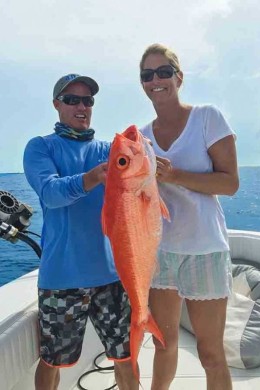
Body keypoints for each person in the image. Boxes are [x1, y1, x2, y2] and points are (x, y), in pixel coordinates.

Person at [23, 73, 139, 390]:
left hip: (112, 276)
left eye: (87, 100)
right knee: (52, 362)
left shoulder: (110, 149)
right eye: (72, 99)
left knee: (126, 357)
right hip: (61, 279)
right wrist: (90, 178)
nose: (81, 106)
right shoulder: (40, 148)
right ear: (57, 104)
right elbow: (50, 193)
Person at [139, 44, 239, 390]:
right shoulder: (140, 138)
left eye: (164, 72)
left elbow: (230, 183)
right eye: (147, 75)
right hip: (161, 254)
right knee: (162, 345)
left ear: (178, 77)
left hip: (205, 250)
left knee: (210, 353)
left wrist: (176, 175)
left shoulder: (207, 117)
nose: (156, 80)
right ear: (142, 84)